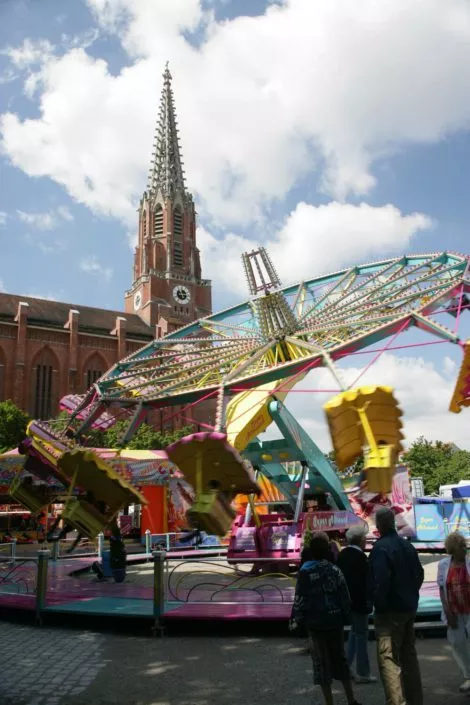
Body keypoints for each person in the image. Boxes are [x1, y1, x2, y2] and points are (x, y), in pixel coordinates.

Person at [292, 531, 362, 705]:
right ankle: (350, 699)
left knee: (321, 665)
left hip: (315, 624)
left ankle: (329, 701)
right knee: (340, 659)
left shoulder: (304, 573)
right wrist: (348, 618)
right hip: (334, 621)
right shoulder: (334, 570)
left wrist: (297, 620)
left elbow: (300, 599)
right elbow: (345, 596)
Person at [369, 507, 424, 705]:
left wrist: (380, 605)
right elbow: (419, 574)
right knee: (409, 658)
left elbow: (381, 581)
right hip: (409, 608)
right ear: (393, 523)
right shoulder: (407, 546)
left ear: (378, 526)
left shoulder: (380, 548)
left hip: (390, 612)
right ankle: (416, 700)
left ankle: (397, 702)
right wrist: (411, 597)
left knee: (389, 661)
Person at [437, 531, 470, 694]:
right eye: (460, 546)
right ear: (452, 549)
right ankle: (468, 675)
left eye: (465, 545)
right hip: (454, 611)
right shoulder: (443, 564)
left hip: (469, 610)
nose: (464, 549)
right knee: (458, 645)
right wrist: (448, 612)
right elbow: (442, 590)